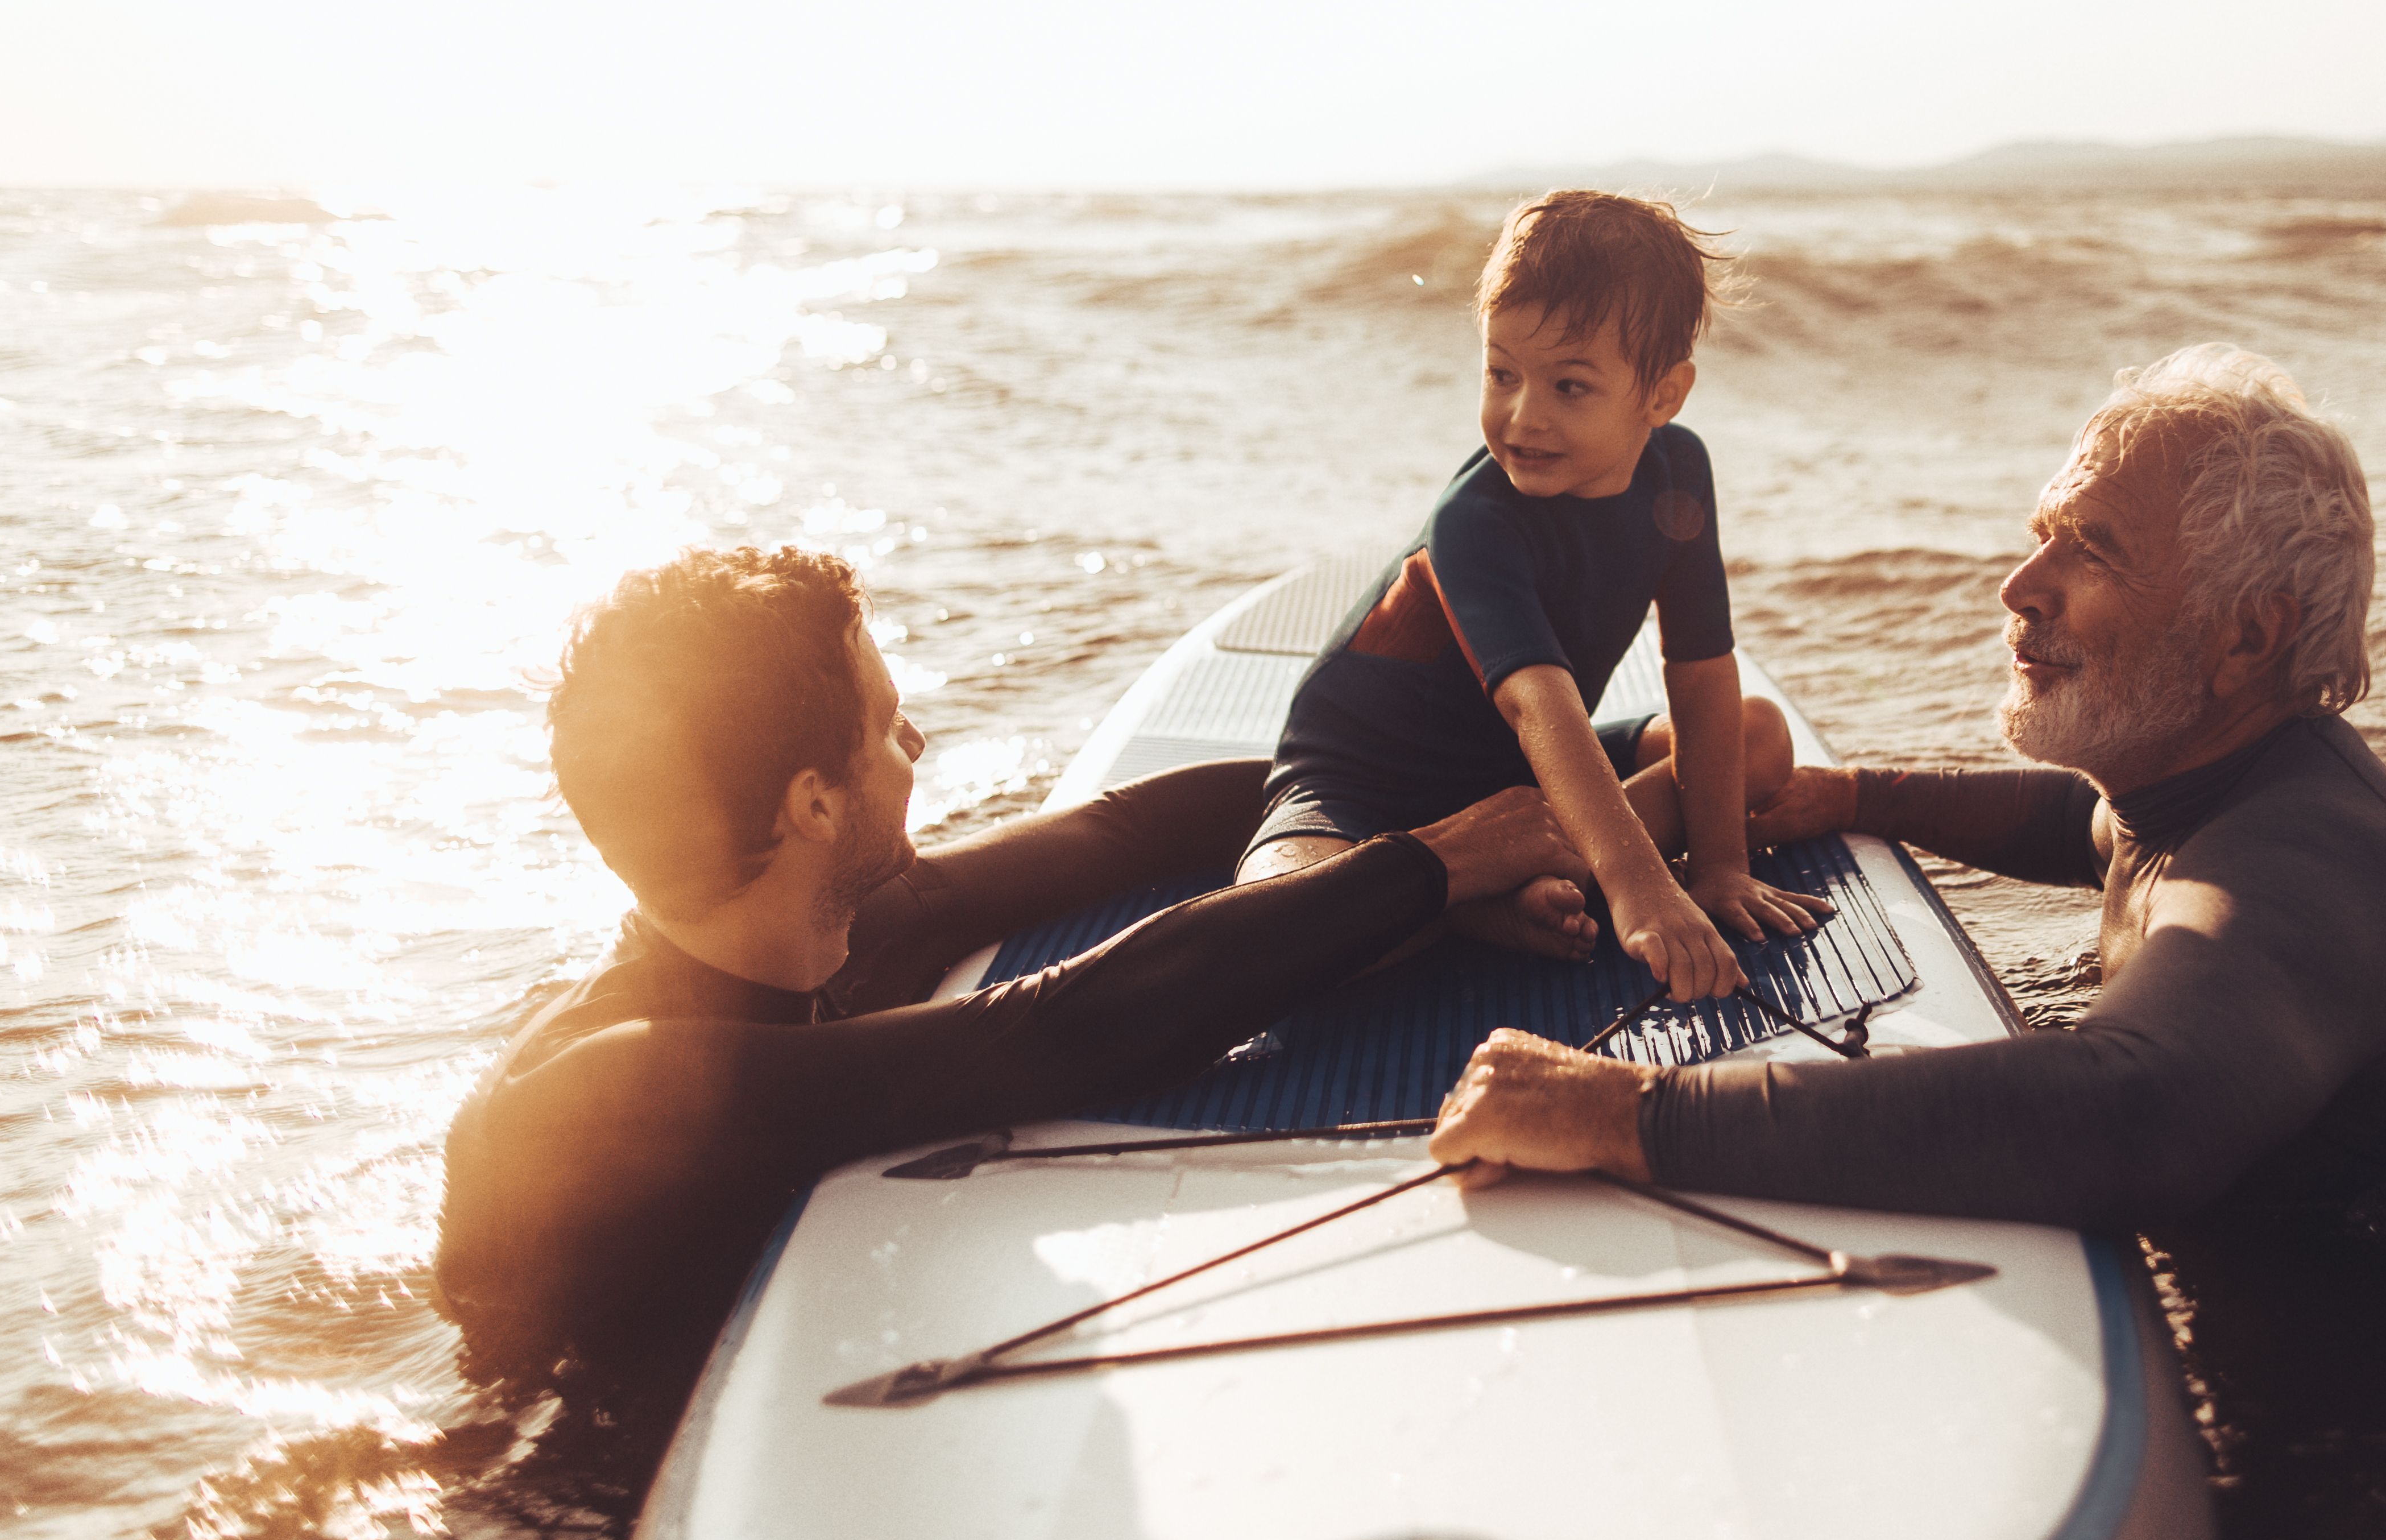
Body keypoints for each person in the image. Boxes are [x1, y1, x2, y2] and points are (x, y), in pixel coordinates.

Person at [1430, 343, 2386, 1226]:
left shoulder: (2310, 863)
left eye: (2091, 550)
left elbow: (2132, 1110)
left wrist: (1626, 1112)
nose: (2017, 585)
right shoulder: (2213, 795)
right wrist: (1858, 797)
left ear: (2246, 637)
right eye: (2043, 534)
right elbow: (2088, 832)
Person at [434, 545, 1581, 1381]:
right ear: (814, 804)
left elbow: (1126, 834)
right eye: (885, 724)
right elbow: (1069, 1026)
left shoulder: (814, 931)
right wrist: (1433, 862)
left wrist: (1504, 808)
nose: (915, 742)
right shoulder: (606, 1089)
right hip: (557, 1539)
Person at [1238, 191, 1819, 1001]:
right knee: (1279, 932)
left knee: (1756, 735)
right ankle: (1468, 904)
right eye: (1501, 373)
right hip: (1363, 792)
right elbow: (1539, 706)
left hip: (1523, 786)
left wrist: (1719, 868)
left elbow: (1701, 672)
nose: (1521, 416)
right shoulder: (1474, 520)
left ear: (1662, 395)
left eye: (1568, 387)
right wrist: (1639, 886)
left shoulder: (1679, 472)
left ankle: (1499, 886)